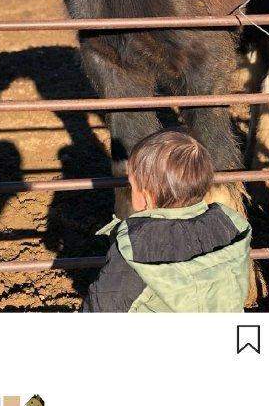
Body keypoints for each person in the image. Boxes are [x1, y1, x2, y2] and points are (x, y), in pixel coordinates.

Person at [83, 130, 251, 312]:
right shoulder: (229, 224)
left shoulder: (136, 245)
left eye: (132, 186)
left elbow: (104, 306)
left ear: (145, 197)